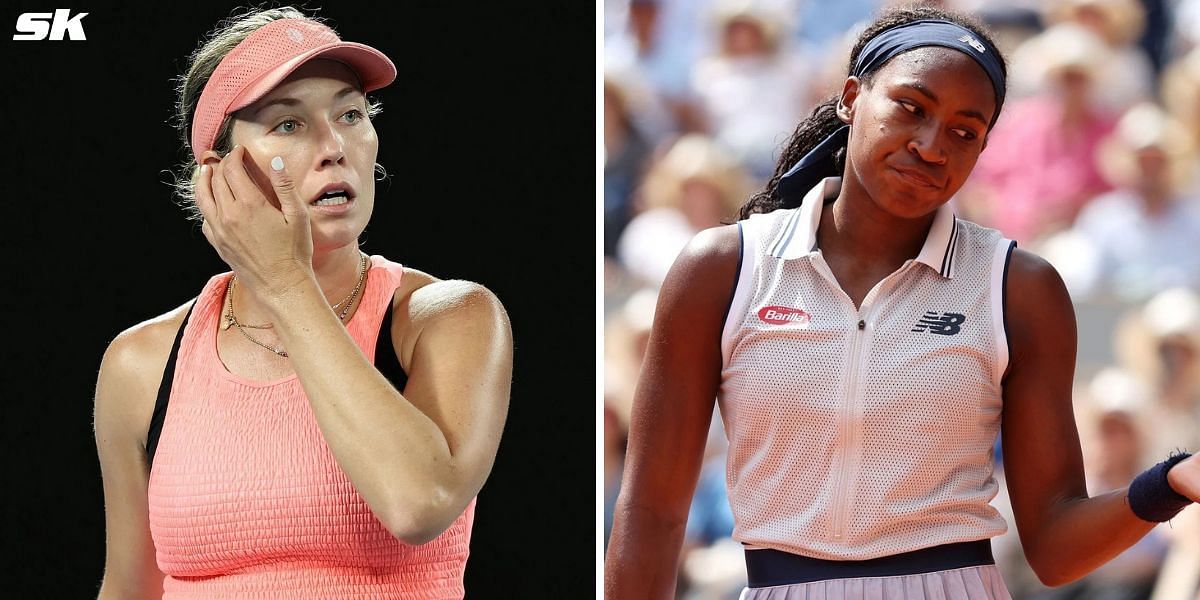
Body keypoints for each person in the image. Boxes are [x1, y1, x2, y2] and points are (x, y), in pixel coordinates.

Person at [604, 6, 1200, 599]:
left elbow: (1054, 547)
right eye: (911, 107)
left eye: (965, 132)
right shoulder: (720, 270)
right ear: (849, 97)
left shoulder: (1020, 287)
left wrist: (1171, 482)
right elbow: (652, 515)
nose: (933, 145)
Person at [93, 7, 512, 599]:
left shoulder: (447, 317)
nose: (335, 146)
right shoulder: (140, 362)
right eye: (287, 125)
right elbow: (130, 588)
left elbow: (419, 501)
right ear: (217, 176)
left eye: (350, 114)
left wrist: (286, 283)